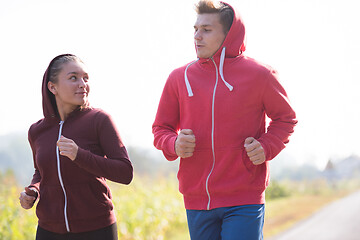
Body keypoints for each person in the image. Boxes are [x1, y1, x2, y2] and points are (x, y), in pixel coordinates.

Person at [152, 1, 297, 239]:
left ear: (229, 34)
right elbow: (161, 128)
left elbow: (286, 119)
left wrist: (267, 146)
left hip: (244, 196)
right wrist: (173, 143)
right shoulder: (179, 78)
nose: (197, 37)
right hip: (197, 199)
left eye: (206, 30)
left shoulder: (261, 75)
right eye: (195, 29)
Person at [19, 54, 133, 240]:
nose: (82, 84)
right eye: (73, 78)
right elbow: (41, 172)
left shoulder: (99, 120)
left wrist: (79, 155)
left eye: (85, 78)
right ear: (52, 87)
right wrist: (34, 190)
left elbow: (125, 172)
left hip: (96, 228)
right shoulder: (37, 131)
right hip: (49, 229)